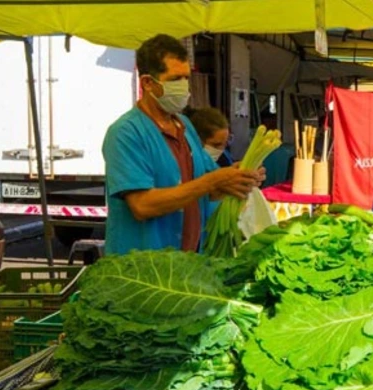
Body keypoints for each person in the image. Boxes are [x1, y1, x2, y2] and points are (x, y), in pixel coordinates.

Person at [102, 34, 263, 255]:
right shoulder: (125, 133)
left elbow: (210, 189)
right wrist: (210, 182)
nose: (184, 86)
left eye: (186, 78)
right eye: (175, 79)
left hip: (188, 263)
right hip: (143, 269)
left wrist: (238, 177)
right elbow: (142, 205)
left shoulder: (184, 126)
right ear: (148, 83)